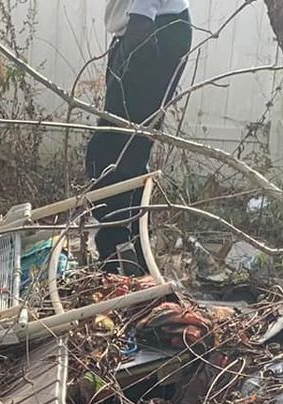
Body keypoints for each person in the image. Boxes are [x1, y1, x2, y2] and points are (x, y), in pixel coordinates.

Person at [86, 0, 192, 271]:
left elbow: (142, 20)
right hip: (146, 28)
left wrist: (134, 47)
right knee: (124, 147)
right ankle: (130, 246)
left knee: (116, 151)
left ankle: (119, 252)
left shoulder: (144, 25)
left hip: (150, 31)